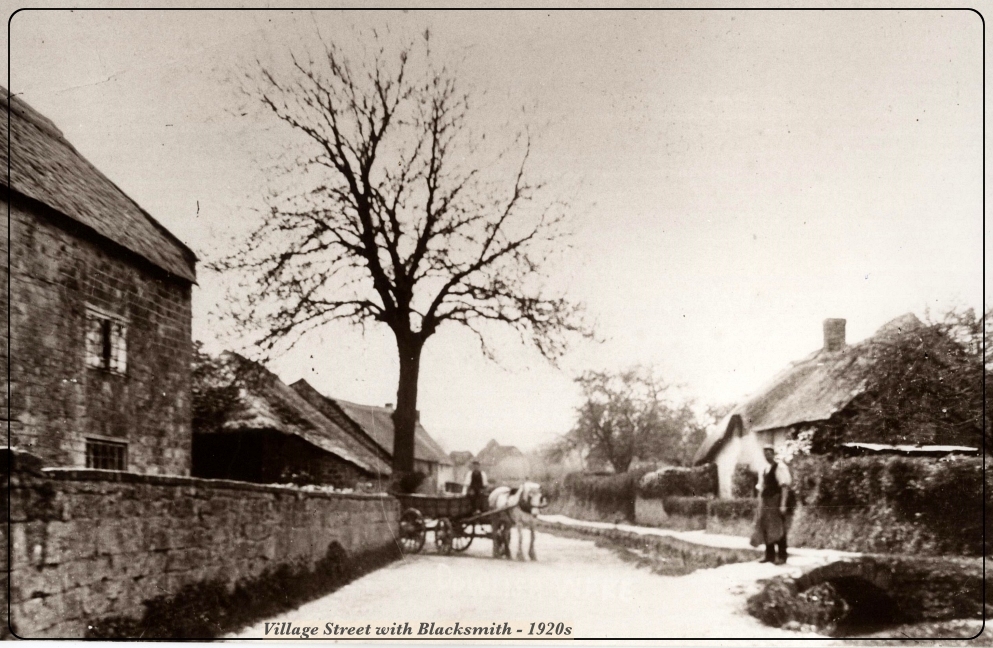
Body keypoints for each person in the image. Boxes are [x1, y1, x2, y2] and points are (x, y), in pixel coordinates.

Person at [750, 444, 793, 565]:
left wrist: (783, 504)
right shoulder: (764, 469)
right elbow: (761, 487)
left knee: (778, 528)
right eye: (765, 453)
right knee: (766, 527)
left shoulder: (780, 467)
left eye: (769, 452)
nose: (767, 455)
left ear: (773, 454)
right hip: (766, 501)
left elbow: (784, 487)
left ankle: (782, 556)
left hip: (776, 500)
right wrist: (760, 503)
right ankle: (769, 556)